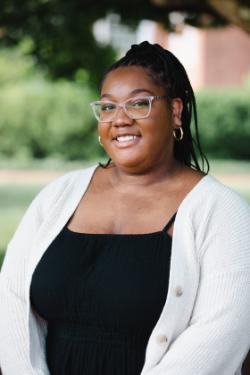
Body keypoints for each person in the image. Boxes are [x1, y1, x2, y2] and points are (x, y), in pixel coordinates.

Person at [0, 41, 250, 375]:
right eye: (107, 107)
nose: (119, 119)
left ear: (175, 111)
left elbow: (221, 334)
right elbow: (11, 301)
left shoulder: (221, 212)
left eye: (138, 104)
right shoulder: (58, 196)